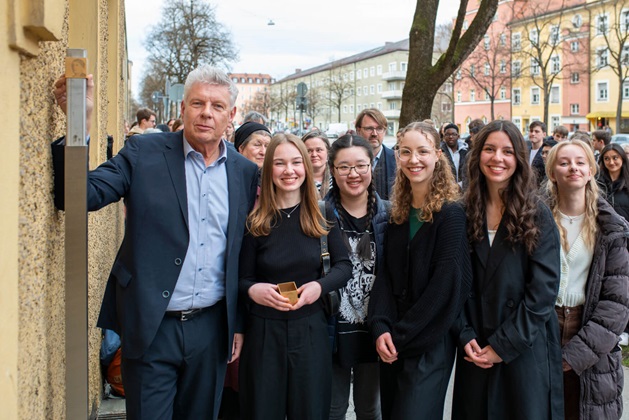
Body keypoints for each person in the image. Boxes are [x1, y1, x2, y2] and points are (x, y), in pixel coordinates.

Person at [51, 66, 259, 420]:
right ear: (182, 108)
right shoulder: (143, 152)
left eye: (217, 106)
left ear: (231, 116)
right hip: (151, 325)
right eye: (197, 102)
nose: (206, 112)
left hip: (211, 330)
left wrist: (237, 323)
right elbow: (78, 195)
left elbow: (242, 254)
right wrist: (78, 122)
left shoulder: (243, 171)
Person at [452, 120, 563, 420]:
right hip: (475, 347)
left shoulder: (536, 212)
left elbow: (543, 292)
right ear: (477, 155)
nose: (497, 158)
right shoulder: (461, 212)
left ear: (519, 159)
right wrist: (464, 335)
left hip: (522, 347)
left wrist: (503, 346)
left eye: (507, 151)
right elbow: (453, 283)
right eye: (489, 149)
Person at [238, 133, 352, 420]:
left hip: (310, 329)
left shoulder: (323, 214)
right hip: (264, 332)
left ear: (305, 165)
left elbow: (344, 266)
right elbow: (240, 279)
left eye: (295, 162)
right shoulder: (255, 221)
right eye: (279, 163)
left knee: (310, 412)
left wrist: (319, 286)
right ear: (268, 170)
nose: (289, 171)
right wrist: (253, 291)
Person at [369, 122, 472, 419]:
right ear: (397, 156)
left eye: (423, 151)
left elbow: (445, 286)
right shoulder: (398, 213)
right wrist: (380, 327)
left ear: (438, 155)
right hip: (392, 341)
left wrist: (398, 336)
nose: (414, 160)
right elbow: (386, 277)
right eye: (406, 152)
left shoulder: (451, 214)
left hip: (429, 341)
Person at [545, 139, 629, 420]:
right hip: (544, 327)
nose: (573, 168)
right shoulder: (534, 220)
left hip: (590, 334)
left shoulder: (611, 228)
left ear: (591, 170)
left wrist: (574, 355)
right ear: (552, 172)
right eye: (564, 162)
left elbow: (616, 305)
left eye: (580, 162)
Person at [325, 134, 389, 420]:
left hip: (375, 333)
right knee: (332, 409)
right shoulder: (317, 215)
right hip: (332, 332)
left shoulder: (389, 215)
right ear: (332, 170)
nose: (353, 174)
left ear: (371, 167)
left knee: (370, 410)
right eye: (344, 167)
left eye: (361, 166)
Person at [355, 108, 396, 200]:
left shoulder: (397, 161)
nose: (374, 134)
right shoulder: (348, 160)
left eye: (379, 129)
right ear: (358, 131)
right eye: (369, 128)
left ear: (384, 131)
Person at [598, 143, 629, 222]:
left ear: (622, 158)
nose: (611, 162)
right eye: (607, 159)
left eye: (615, 158)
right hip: (602, 231)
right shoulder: (596, 183)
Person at [302, 130, 332, 199]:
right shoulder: (297, 180)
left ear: (328, 152)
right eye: (309, 151)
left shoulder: (337, 177)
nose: (314, 155)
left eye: (319, 150)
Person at [441, 123, 468, 189]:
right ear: (444, 136)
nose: (450, 137)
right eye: (447, 134)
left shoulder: (465, 151)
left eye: (453, 134)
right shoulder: (440, 152)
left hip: (463, 189)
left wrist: (461, 185)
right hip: (446, 189)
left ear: (458, 136)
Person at [528, 120, 547, 186]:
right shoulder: (525, 151)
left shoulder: (546, 152)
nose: (533, 134)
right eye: (531, 131)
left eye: (537, 131)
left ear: (544, 134)